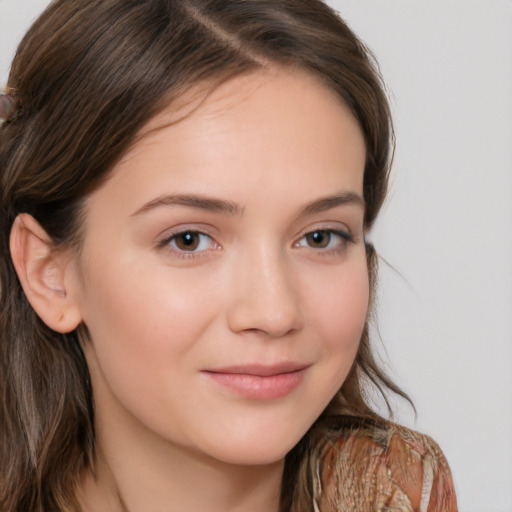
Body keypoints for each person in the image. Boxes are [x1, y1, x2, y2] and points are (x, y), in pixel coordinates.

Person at [0, 0, 458, 511]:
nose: (274, 312)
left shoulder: (390, 491)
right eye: (189, 239)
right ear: (50, 275)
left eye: (321, 237)